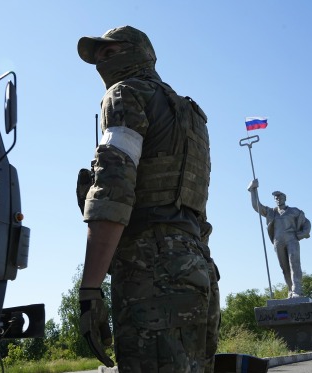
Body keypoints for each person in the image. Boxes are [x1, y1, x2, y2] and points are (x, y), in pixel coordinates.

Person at [76, 26, 220, 372]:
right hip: (197, 268)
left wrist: (90, 290)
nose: (102, 61)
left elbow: (114, 189)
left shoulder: (124, 94)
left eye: (111, 52)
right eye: (99, 56)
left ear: (140, 53)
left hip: (151, 268)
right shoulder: (191, 115)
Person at [247, 179, 311, 298]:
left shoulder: (294, 211)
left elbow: (307, 223)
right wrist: (253, 190)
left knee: (294, 264)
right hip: (278, 242)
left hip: (292, 239)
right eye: (276, 197)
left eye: (280, 197)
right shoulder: (271, 212)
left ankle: (297, 289)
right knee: (285, 267)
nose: (278, 199)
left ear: (285, 198)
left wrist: (302, 234)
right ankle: (291, 289)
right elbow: (257, 206)